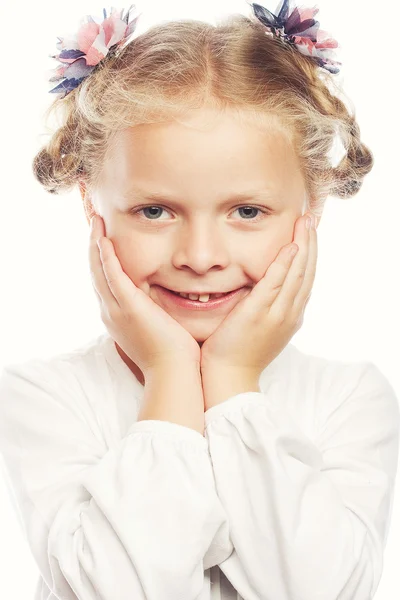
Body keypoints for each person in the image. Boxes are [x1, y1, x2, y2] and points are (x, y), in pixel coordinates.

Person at [0, 2, 398, 599]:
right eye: (155, 211)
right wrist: (169, 374)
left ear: (311, 208)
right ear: (92, 203)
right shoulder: (46, 396)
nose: (201, 255)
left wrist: (234, 378)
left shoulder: (348, 399)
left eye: (247, 211)